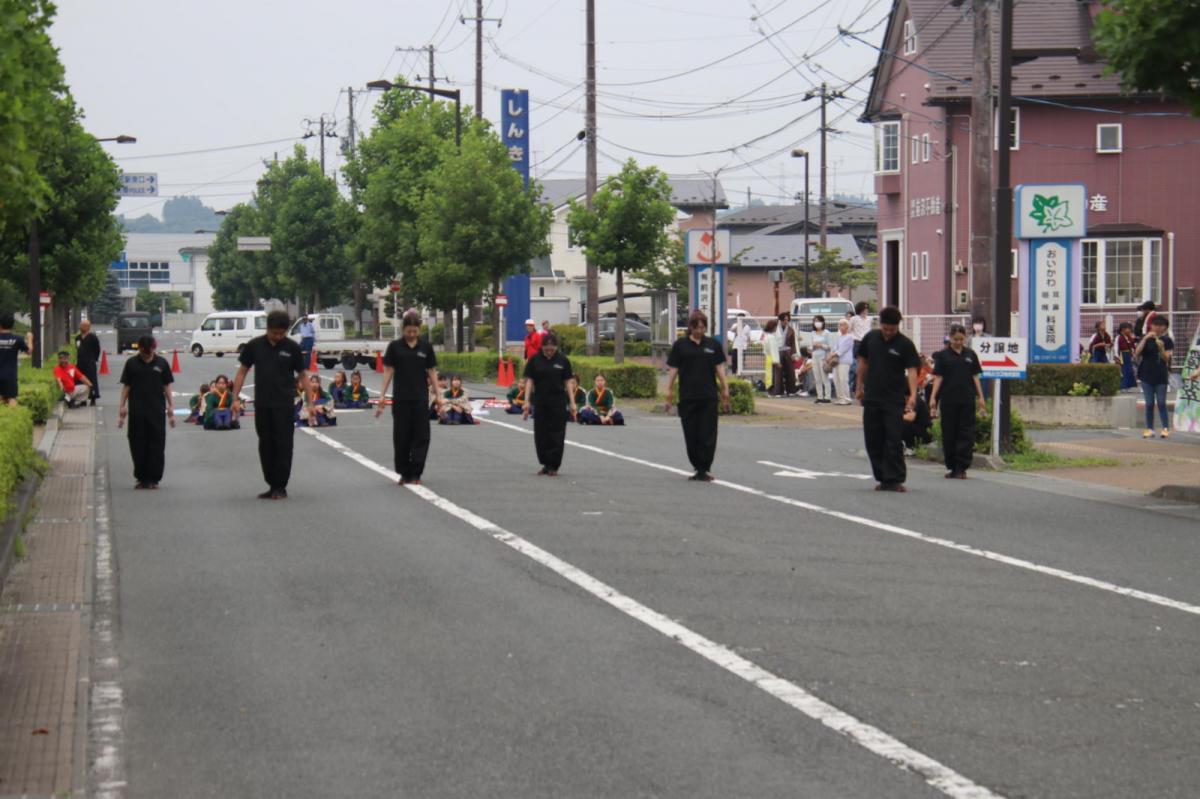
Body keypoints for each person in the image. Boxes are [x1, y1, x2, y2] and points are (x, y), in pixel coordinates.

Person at [231, 310, 312, 500]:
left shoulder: (291, 347)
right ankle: (271, 483)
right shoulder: (255, 345)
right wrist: (235, 398)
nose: (277, 336)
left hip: (284, 404)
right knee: (266, 445)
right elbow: (242, 371)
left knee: (283, 445)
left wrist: (310, 402)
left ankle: (280, 486)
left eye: (281, 333)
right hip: (263, 404)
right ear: (267, 328)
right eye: (274, 332)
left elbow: (303, 376)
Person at [856, 306, 920, 492]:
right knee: (873, 438)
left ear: (897, 326)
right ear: (880, 324)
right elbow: (862, 362)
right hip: (872, 396)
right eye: (885, 328)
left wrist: (913, 395)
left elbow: (913, 370)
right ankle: (882, 478)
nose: (888, 332)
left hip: (894, 398)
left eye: (892, 329)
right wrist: (859, 386)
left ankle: (895, 479)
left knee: (893, 438)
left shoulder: (905, 344)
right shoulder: (871, 338)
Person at [376, 312, 442, 485]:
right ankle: (404, 473)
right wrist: (382, 395)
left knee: (422, 436)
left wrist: (439, 396)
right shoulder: (395, 347)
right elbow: (388, 371)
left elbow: (432, 373)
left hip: (420, 398)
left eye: (414, 331)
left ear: (419, 330)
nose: (411, 335)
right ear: (403, 329)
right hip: (401, 399)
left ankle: (416, 472)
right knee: (402, 437)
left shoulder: (425, 347)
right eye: (408, 331)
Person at [666, 310, 731, 482]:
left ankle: (704, 468)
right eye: (698, 328)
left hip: (708, 396)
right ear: (691, 327)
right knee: (691, 433)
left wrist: (725, 388)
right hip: (687, 396)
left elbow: (719, 368)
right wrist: (669, 390)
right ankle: (696, 465)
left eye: (703, 328)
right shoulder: (681, 345)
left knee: (708, 433)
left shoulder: (713, 345)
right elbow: (673, 369)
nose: (701, 331)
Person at [117, 335, 175, 489]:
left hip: (156, 411)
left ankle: (154, 478)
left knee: (157, 444)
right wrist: (122, 406)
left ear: (154, 349)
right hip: (137, 411)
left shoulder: (162, 363)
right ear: (140, 349)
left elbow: (167, 385)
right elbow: (127, 386)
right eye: (144, 352)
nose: (147, 355)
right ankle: (141, 477)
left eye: (149, 352)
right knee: (137, 443)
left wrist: (171, 406)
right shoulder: (131, 363)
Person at [929, 323, 987, 479]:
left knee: (966, 433)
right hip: (948, 399)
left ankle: (962, 467)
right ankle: (953, 467)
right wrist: (933, 397)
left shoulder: (970, 355)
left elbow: (975, 377)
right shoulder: (943, 355)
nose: (958, 342)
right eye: (955, 339)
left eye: (961, 339)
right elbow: (938, 377)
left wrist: (980, 396)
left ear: (965, 338)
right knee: (949, 433)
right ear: (950, 338)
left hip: (967, 399)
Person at [522, 332, 576, 476]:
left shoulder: (563, 360)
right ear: (542, 347)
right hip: (540, 401)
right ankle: (545, 463)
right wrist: (526, 401)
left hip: (558, 402)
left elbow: (568, 382)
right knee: (541, 434)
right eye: (546, 349)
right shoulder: (535, 360)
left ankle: (554, 465)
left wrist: (572, 402)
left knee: (556, 434)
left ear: (556, 347)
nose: (549, 352)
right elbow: (529, 381)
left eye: (552, 349)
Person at [1134, 315, 1174, 438]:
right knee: (1149, 403)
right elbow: (1137, 353)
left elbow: (1166, 358)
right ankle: (1149, 429)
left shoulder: (1167, 341)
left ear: (1165, 328)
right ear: (1151, 326)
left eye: (1161, 325)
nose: (1157, 327)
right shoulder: (1146, 338)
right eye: (1155, 325)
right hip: (1146, 374)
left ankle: (1165, 428)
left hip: (1160, 374)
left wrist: (1161, 348)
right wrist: (1145, 339)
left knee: (1161, 402)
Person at [0, 313, 31, 407]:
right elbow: (29, 352)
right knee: (12, 398)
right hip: (10, 375)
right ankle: (14, 418)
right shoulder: (17, 339)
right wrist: (30, 338)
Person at [74, 319, 102, 405]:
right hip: (80, 362)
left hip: (90, 362)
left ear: (88, 327)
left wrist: (94, 359)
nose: (81, 327)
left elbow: (97, 349)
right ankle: (83, 399)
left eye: (83, 325)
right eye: (81, 325)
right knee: (80, 380)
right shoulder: (78, 337)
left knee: (91, 380)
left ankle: (93, 397)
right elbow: (77, 348)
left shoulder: (93, 337)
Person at [849, 301, 872, 393]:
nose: (865, 311)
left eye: (866, 309)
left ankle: (860, 385)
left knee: (867, 364)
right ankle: (855, 385)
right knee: (857, 365)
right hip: (857, 342)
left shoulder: (869, 319)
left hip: (866, 342)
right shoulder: (854, 319)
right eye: (864, 309)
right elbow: (850, 329)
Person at [809, 314, 832, 403]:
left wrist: (821, 345)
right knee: (817, 377)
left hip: (823, 357)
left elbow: (830, 346)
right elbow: (811, 346)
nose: (817, 323)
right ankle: (820, 396)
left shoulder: (827, 333)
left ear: (822, 322)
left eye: (818, 321)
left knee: (824, 377)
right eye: (815, 321)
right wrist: (812, 347)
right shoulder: (813, 333)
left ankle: (827, 396)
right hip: (815, 356)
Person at [833, 318, 854, 404]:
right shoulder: (839, 337)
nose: (840, 327)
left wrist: (832, 355)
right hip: (836, 361)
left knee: (843, 379)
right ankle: (840, 398)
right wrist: (833, 353)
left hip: (844, 361)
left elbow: (842, 350)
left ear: (847, 326)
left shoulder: (849, 337)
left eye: (842, 325)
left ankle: (847, 398)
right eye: (839, 325)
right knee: (836, 379)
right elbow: (835, 348)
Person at [777, 312, 798, 396]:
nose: (786, 321)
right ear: (781, 320)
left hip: (788, 351)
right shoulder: (776, 329)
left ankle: (791, 390)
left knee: (790, 372)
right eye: (785, 319)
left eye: (787, 319)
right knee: (778, 372)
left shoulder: (790, 330)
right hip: (778, 351)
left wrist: (793, 354)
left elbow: (793, 343)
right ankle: (779, 391)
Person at [762, 318, 781, 396]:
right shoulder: (772, 338)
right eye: (776, 327)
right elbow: (773, 350)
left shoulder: (767, 336)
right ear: (773, 327)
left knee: (769, 375)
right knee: (773, 376)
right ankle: (773, 392)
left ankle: (770, 391)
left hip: (768, 358)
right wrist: (776, 361)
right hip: (772, 359)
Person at [1117, 322, 1138, 390]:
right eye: (1128, 328)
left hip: (1128, 355)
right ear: (1122, 329)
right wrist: (1117, 358)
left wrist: (1134, 352)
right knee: (1124, 370)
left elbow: (1132, 345)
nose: (1129, 330)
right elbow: (1116, 348)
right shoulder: (1119, 337)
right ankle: (1122, 386)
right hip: (1122, 355)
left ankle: (1129, 385)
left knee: (1129, 370)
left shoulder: (1129, 337)